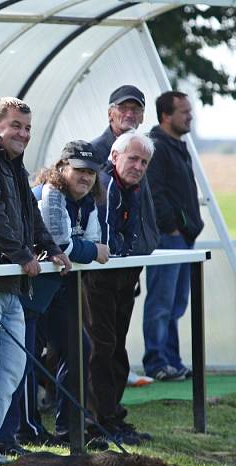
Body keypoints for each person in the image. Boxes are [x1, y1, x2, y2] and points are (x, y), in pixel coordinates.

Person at [0, 97, 69, 466]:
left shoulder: (15, 165)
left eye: (26, 127)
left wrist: (51, 249)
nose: (22, 133)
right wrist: (24, 256)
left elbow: (30, 216)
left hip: (13, 288)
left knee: (9, 373)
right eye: (15, 126)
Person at [34, 141, 110, 445]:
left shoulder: (88, 200)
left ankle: (70, 431)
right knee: (27, 357)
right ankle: (27, 430)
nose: (86, 177)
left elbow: (91, 242)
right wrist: (91, 250)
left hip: (61, 287)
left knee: (80, 348)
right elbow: (60, 245)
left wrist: (88, 249)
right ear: (61, 167)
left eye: (91, 172)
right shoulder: (49, 194)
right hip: (33, 289)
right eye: (79, 169)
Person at [85, 130, 159, 445]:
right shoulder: (104, 185)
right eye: (133, 159)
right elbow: (104, 234)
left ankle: (112, 415)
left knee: (116, 348)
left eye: (144, 161)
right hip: (97, 278)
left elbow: (135, 236)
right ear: (115, 157)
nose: (139, 166)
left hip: (123, 277)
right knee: (99, 348)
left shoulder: (137, 189)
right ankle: (95, 422)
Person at [142, 91, 203, 381]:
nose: (189, 116)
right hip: (169, 238)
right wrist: (172, 227)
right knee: (161, 302)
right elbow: (155, 192)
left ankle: (172, 360)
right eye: (184, 111)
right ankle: (156, 362)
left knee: (176, 303)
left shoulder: (177, 145)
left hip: (184, 237)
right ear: (166, 116)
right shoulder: (157, 146)